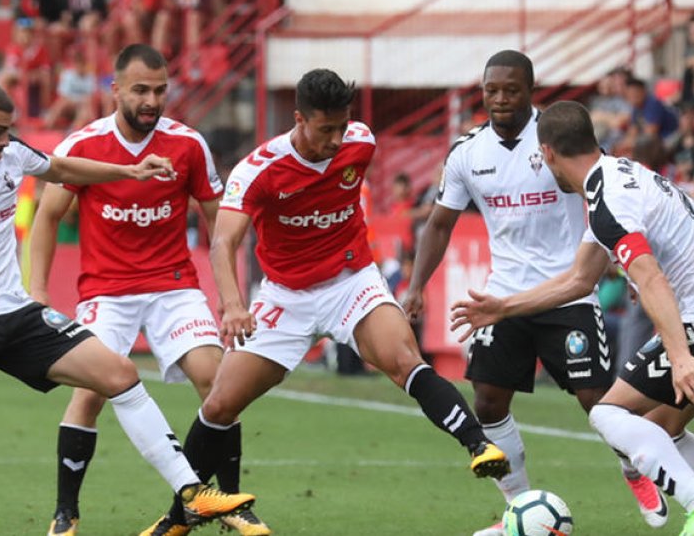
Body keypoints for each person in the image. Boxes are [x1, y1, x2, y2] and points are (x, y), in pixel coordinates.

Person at [0, 78, 254, 535]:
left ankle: (191, 493)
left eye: (8, 130)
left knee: (120, 375)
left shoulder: (10, 153)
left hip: (14, 310)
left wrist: (129, 172)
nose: (5, 139)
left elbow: (59, 168)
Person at [140, 68, 510, 536]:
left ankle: (478, 445)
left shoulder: (361, 142)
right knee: (219, 405)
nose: (337, 139)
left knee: (403, 359)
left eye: (342, 125)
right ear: (298, 119)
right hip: (285, 297)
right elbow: (223, 242)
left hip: (351, 282)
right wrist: (233, 305)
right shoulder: (260, 169)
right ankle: (180, 517)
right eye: (325, 129)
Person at [451, 100, 694, 536]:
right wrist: (503, 307)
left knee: (609, 416)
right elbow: (581, 279)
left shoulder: (609, 203)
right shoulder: (620, 176)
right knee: (663, 430)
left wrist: (679, 357)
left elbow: (651, 278)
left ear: (547, 154)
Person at [401, 51, 665, 536]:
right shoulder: (467, 154)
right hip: (503, 299)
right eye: (491, 90)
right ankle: (519, 509)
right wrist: (416, 287)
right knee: (487, 404)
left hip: (567, 293)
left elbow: (609, 199)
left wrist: (623, 265)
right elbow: (439, 225)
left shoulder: (558, 140)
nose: (500, 99)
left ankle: (634, 471)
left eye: (511, 90)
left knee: (599, 402)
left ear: (531, 91)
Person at [30, 44, 268, 536]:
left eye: (160, 90)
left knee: (219, 383)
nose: (152, 100)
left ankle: (231, 506)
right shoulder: (83, 146)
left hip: (172, 287)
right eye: (140, 90)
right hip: (106, 292)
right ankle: (65, 514)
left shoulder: (188, 146)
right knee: (87, 395)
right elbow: (46, 217)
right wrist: (37, 294)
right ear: (114, 90)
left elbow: (221, 225)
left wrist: (230, 300)